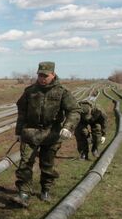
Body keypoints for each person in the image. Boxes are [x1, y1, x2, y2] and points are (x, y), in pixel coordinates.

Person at [13, 61, 79, 206]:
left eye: (45, 75)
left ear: (53, 74)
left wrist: (68, 126)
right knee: (25, 163)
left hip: (52, 133)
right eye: (40, 75)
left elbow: (74, 110)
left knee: (47, 164)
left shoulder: (62, 92)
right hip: (30, 132)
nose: (42, 78)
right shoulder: (30, 91)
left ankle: (45, 189)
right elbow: (22, 112)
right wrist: (18, 131)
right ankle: (23, 193)